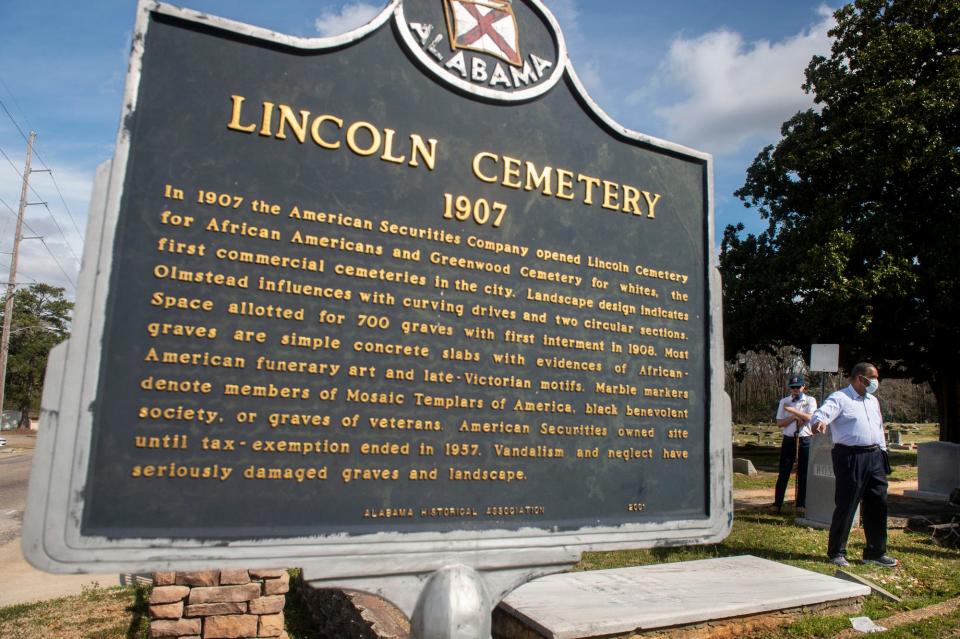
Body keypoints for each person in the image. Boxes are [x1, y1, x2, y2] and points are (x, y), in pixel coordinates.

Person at [810, 362, 898, 568]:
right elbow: (821, 414)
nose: (876, 381)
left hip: (874, 455)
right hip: (850, 456)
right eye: (873, 377)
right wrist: (818, 422)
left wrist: (883, 454)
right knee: (847, 504)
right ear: (860, 378)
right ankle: (837, 552)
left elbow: (877, 426)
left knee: (878, 503)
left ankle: (875, 552)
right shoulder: (840, 398)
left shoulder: (873, 400)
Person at [773, 375, 816, 514]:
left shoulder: (810, 400)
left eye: (798, 387)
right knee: (784, 472)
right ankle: (777, 503)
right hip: (789, 439)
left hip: (804, 439)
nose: (796, 389)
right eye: (793, 387)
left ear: (803, 387)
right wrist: (794, 417)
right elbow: (780, 423)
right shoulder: (784, 401)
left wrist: (791, 410)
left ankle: (801, 504)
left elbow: (809, 417)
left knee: (803, 473)